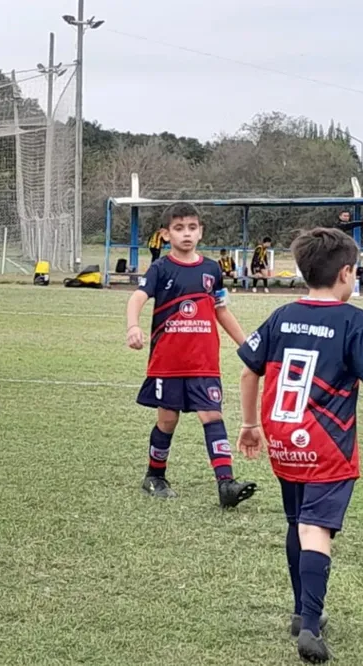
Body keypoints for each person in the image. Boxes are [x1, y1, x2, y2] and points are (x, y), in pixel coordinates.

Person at [236, 227, 363, 664]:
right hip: (326, 444)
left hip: (283, 439)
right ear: (346, 273)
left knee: (297, 521)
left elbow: (249, 370)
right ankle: (309, 626)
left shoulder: (282, 315)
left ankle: (302, 610)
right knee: (315, 527)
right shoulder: (355, 320)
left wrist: (249, 425)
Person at [125, 202, 257, 507]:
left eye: (192, 227)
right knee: (167, 421)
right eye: (179, 228)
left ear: (201, 232)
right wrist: (133, 327)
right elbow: (137, 297)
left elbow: (221, 310)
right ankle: (154, 476)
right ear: (166, 234)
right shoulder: (161, 268)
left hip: (204, 362)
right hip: (168, 363)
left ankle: (226, 484)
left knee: (212, 415)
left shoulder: (212, 269)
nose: (186, 234)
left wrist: (245, 344)